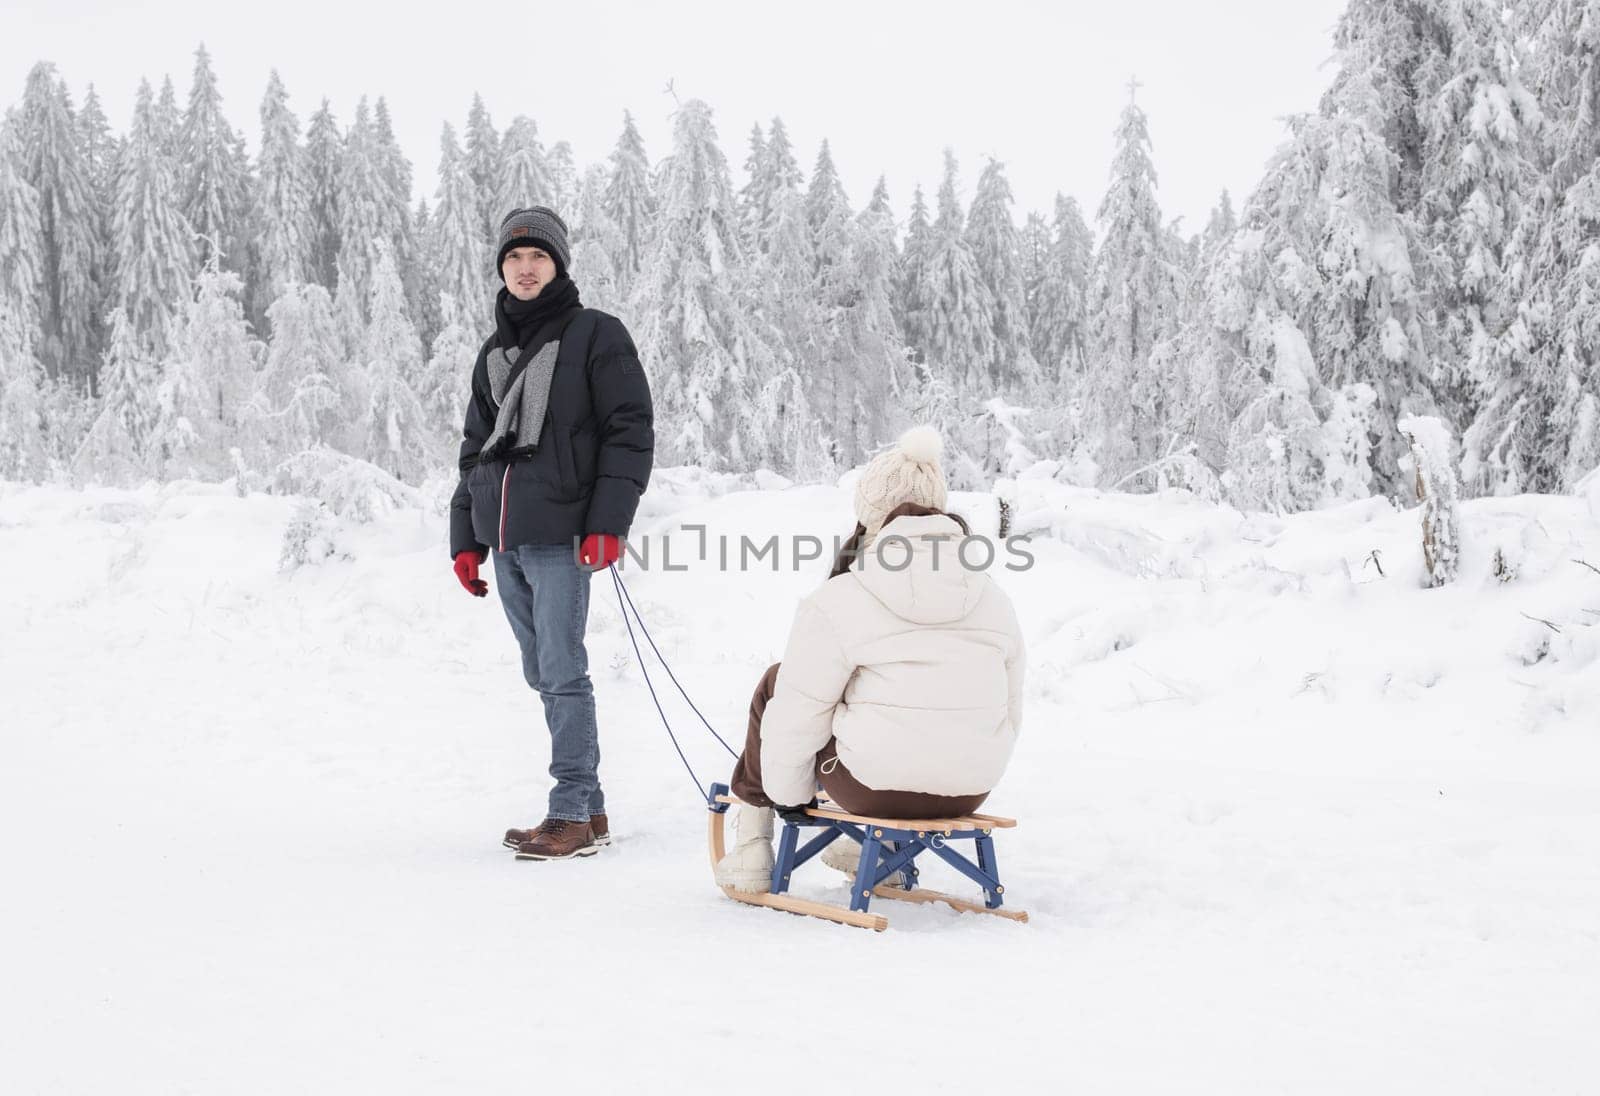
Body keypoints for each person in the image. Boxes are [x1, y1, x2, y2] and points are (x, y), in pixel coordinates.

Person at [713, 426, 1026, 892]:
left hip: (873, 789)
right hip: (971, 785)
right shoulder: (994, 598)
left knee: (779, 684)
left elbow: (798, 717)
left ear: (870, 517)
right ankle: (865, 847)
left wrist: (791, 799)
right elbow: (1011, 711)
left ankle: (754, 849)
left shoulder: (843, 597)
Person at [449, 206, 653, 862]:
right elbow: (475, 449)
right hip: (505, 537)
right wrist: (465, 538)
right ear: (501, 269)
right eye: (514, 259)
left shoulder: (596, 334)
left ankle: (568, 809)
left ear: (558, 264)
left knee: (562, 671)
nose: (526, 268)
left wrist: (607, 524)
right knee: (542, 671)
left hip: (564, 532)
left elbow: (629, 430)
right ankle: (588, 811)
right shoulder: (494, 352)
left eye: (538, 257)